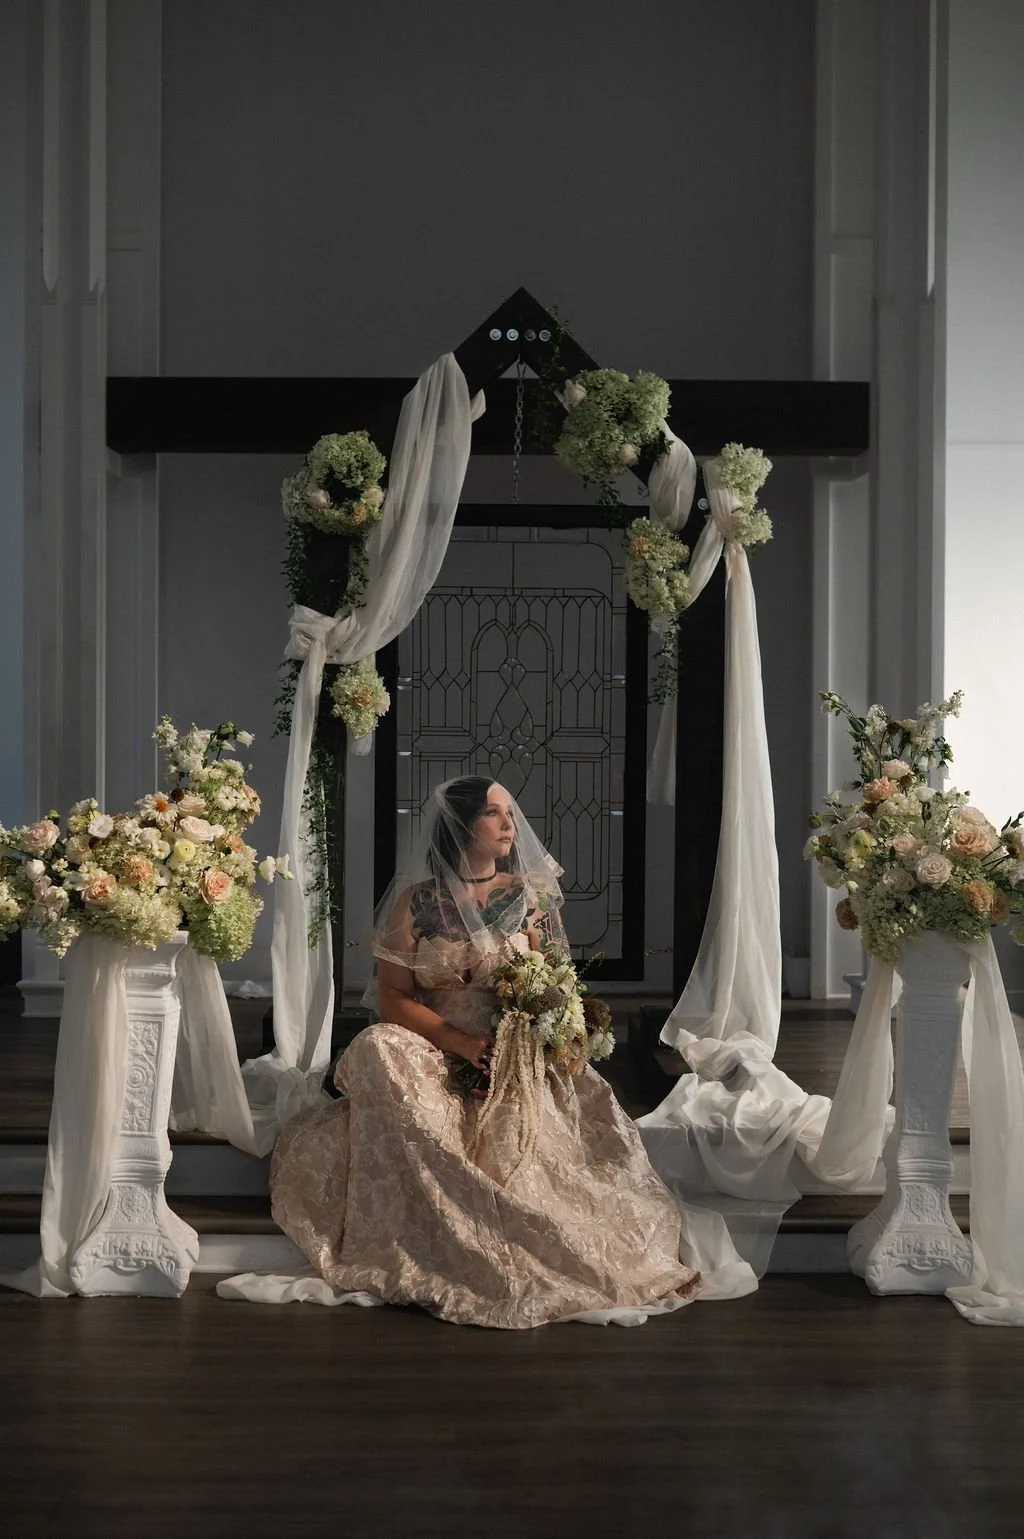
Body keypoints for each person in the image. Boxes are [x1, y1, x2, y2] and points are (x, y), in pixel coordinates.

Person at [266, 776, 703, 1328]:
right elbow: (394, 998)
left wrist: (544, 1038)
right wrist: (459, 1042)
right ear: (460, 825)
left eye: (509, 813)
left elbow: (555, 983)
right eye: (494, 814)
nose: (509, 824)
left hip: (512, 1053)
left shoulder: (530, 897)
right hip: (436, 1044)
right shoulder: (418, 903)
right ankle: (432, 1209)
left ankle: (497, 1217)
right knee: (377, 1046)